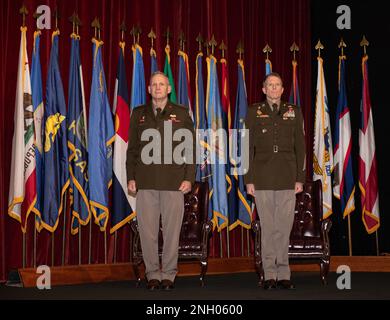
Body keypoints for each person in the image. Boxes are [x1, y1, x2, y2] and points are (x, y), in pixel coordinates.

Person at [127, 71, 195, 291]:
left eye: (162, 84)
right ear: (149, 89)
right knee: (147, 232)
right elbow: (133, 151)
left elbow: (190, 149)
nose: (158, 88)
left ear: (169, 89)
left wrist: (189, 178)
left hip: (174, 182)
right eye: (154, 84)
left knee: (172, 231)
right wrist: (131, 177)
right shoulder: (139, 114)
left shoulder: (182, 114)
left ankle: (169, 274)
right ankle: (153, 274)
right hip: (145, 182)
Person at [244, 72, 306, 290]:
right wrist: (248, 180)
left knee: (283, 226)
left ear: (282, 89)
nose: (273, 88)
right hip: (262, 177)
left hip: (287, 177)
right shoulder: (253, 111)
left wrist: (300, 178)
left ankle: (284, 273)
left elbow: (301, 146)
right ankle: (269, 273)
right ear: (264, 89)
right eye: (269, 85)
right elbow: (246, 147)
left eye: (277, 85)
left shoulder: (294, 111)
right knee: (268, 227)